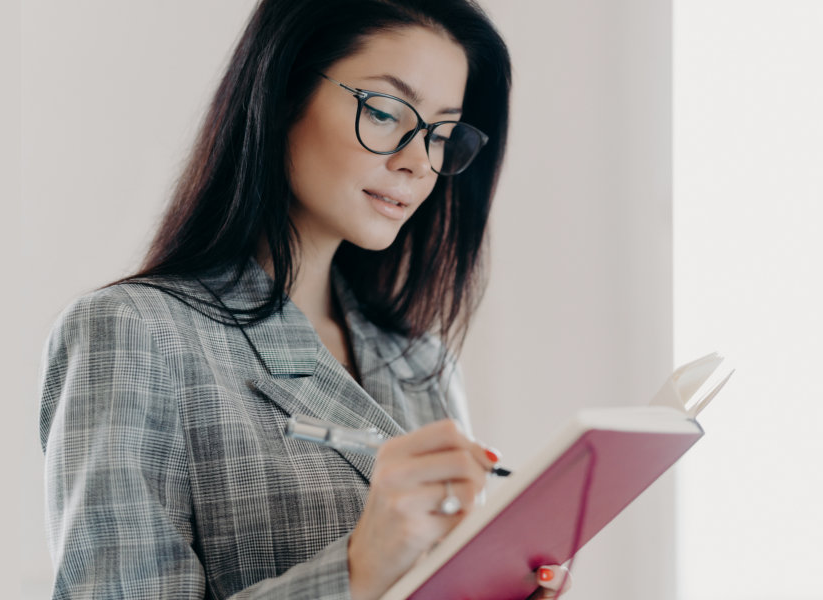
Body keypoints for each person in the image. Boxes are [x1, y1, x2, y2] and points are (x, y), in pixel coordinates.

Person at [38, 1, 568, 598]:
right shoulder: (132, 332)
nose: (418, 160)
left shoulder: (422, 362)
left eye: (443, 133)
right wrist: (358, 570)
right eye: (387, 111)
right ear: (283, 92)